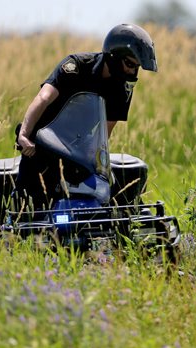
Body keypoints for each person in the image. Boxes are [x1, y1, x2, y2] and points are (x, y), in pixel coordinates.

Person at [14, 23, 158, 211]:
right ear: (114, 57)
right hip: (41, 145)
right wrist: (24, 135)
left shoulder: (122, 89)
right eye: (130, 64)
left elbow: (105, 132)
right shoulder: (76, 66)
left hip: (78, 151)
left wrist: (93, 161)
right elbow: (43, 98)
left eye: (136, 67)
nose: (133, 72)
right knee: (27, 207)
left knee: (107, 201)